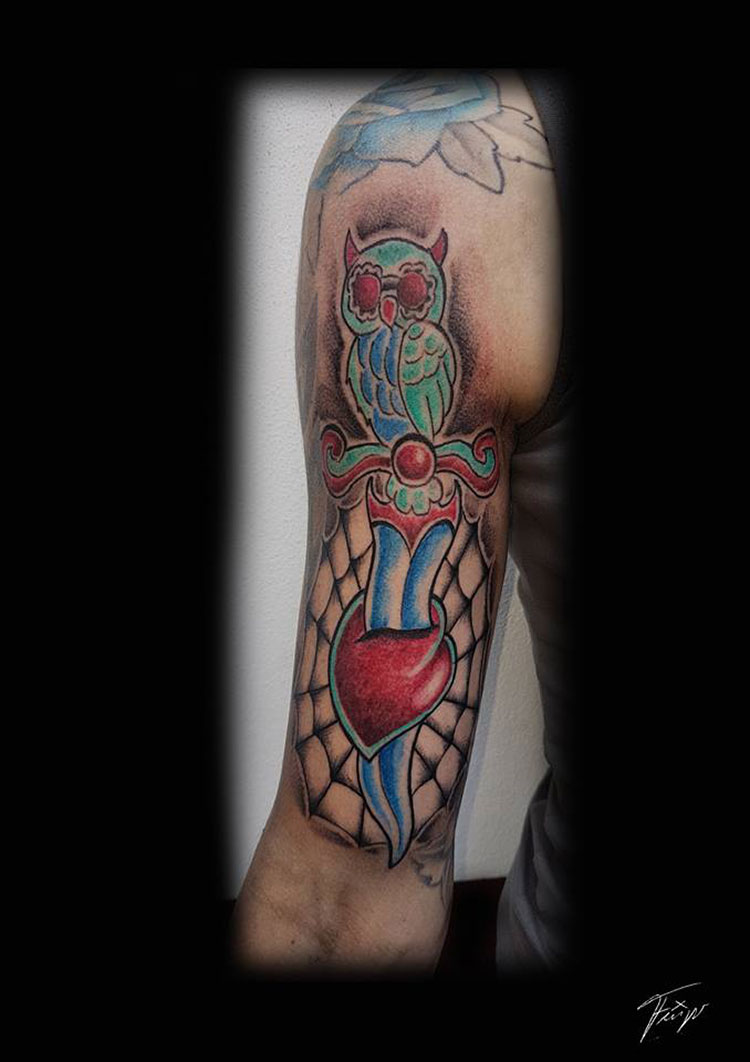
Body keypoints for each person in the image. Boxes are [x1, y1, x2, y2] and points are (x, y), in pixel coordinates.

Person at [231, 68, 579, 976]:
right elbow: (340, 898)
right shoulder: (447, 164)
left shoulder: (432, 328)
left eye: (410, 290)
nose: (390, 307)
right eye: (376, 291)